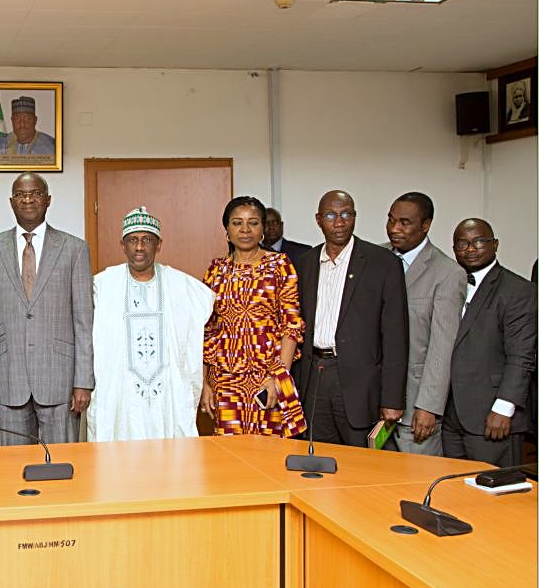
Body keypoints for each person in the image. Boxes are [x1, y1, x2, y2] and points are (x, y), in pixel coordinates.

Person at [0, 173, 94, 445]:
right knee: (14, 468)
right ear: (11, 202)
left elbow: (84, 322)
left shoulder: (74, 249)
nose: (28, 199)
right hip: (8, 378)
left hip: (60, 379)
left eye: (35, 193)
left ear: (48, 200)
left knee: (62, 462)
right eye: (20, 194)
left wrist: (83, 381)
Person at [87, 207, 215, 441]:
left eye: (147, 240)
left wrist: (205, 379)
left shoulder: (182, 286)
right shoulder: (102, 286)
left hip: (168, 396)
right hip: (119, 394)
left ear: (159, 245)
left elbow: (203, 329)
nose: (139, 247)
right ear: (122, 245)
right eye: (132, 240)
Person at [292, 190, 407, 448]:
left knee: (362, 464)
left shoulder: (382, 263)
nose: (340, 222)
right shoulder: (306, 262)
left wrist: (392, 399)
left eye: (347, 214)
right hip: (315, 377)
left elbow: (396, 335)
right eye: (331, 215)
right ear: (318, 220)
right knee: (317, 458)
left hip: (359, 383)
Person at [201, 197, 308, 437]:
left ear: (263, 229)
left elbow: (292, 326)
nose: (245, 230)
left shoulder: (279, 265)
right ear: (227, 230)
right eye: (237, 223)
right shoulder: (216, 271)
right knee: (230, 458)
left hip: (267, 376)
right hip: (226, 380)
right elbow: (208, 331)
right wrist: (205, 383)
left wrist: (278, 379)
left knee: (270, 456)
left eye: (253, 223)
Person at [443, 219, 536, 466]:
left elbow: (522, 356)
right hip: (450, 416)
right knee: (454, 493)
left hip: (492, 417)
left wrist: (504, 409)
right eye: (462, 243)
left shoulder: (518, 290)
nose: (470, 249)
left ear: (495, 245)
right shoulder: (450, 283)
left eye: (479, 242)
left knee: (494, 495)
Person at [383, 192, 464, 455]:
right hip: (374, 402)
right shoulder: (376, 258)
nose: (395, 229)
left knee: (416, 484)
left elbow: (442, 348)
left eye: (404, 222)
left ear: (426, 225)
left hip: (415, 406)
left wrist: (428, 407)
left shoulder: (447, 273)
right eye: (391, 220)